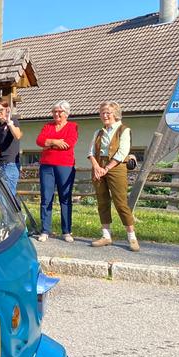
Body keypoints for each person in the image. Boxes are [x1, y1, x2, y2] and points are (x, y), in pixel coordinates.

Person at [87, 101, 139, 252]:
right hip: (98, 166)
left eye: (108, 113)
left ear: (116, 114)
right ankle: (106, 236)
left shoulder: (124, 130)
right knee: (102, 201)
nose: (104, 116)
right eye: (102, 113)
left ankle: (132, 237)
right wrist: (97, 166)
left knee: (121, 202)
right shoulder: (98, 132)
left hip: (116, 166)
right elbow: (90, 152)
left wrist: (107, 168)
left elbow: (123, 152)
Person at [35, 100, 78, 242]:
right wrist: (55, 142)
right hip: (46, 166)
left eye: (60, 111)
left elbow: (69, 144)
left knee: (65, 198)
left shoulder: (73, 126)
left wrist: (49, 144)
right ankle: (45, 230)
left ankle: (66, 231)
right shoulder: (48, 126)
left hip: (65, 166)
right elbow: (40, 141)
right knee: (46, 198)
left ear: (66, 113)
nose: (57, 114)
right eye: (54, 111)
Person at [0, 98, 22, 197]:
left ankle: (15, 213)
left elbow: (18, 135)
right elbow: (2, 144)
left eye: (1, 110)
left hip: (10, 164)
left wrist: (9, 123)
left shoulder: (13, 121)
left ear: (7, 109)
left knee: (9, 196)